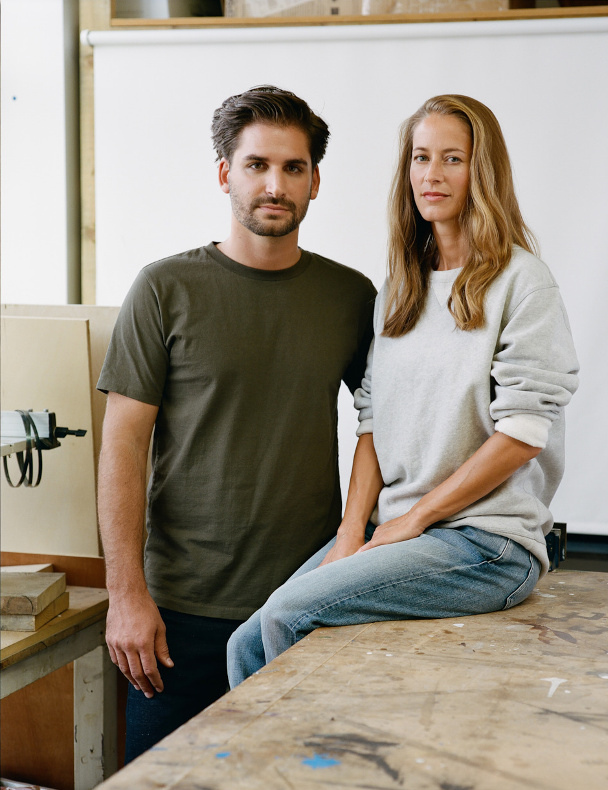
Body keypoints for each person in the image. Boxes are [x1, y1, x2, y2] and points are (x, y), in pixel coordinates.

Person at [227, 94, 580, 687]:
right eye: (421, 157)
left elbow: (522, 436)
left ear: (482, 173)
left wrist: (413, 520)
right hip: (401, 532)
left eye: (452, 158)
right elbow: (371, 424)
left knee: (289, 617)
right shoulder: (400, 290)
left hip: (484, 543)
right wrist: (350, 534)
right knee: (245, 642)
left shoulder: (523, 281)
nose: (432, 174)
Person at [96, 85, 376, 761]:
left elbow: (384, 424)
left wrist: (351, 540)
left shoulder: (351, 296)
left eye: (292, 167)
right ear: (226, 173)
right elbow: (122, 448)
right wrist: (125, 596)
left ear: (314, 182)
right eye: (256, 164)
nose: (274, 184)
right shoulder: (164, 289)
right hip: (178, 616)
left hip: (305, 603)